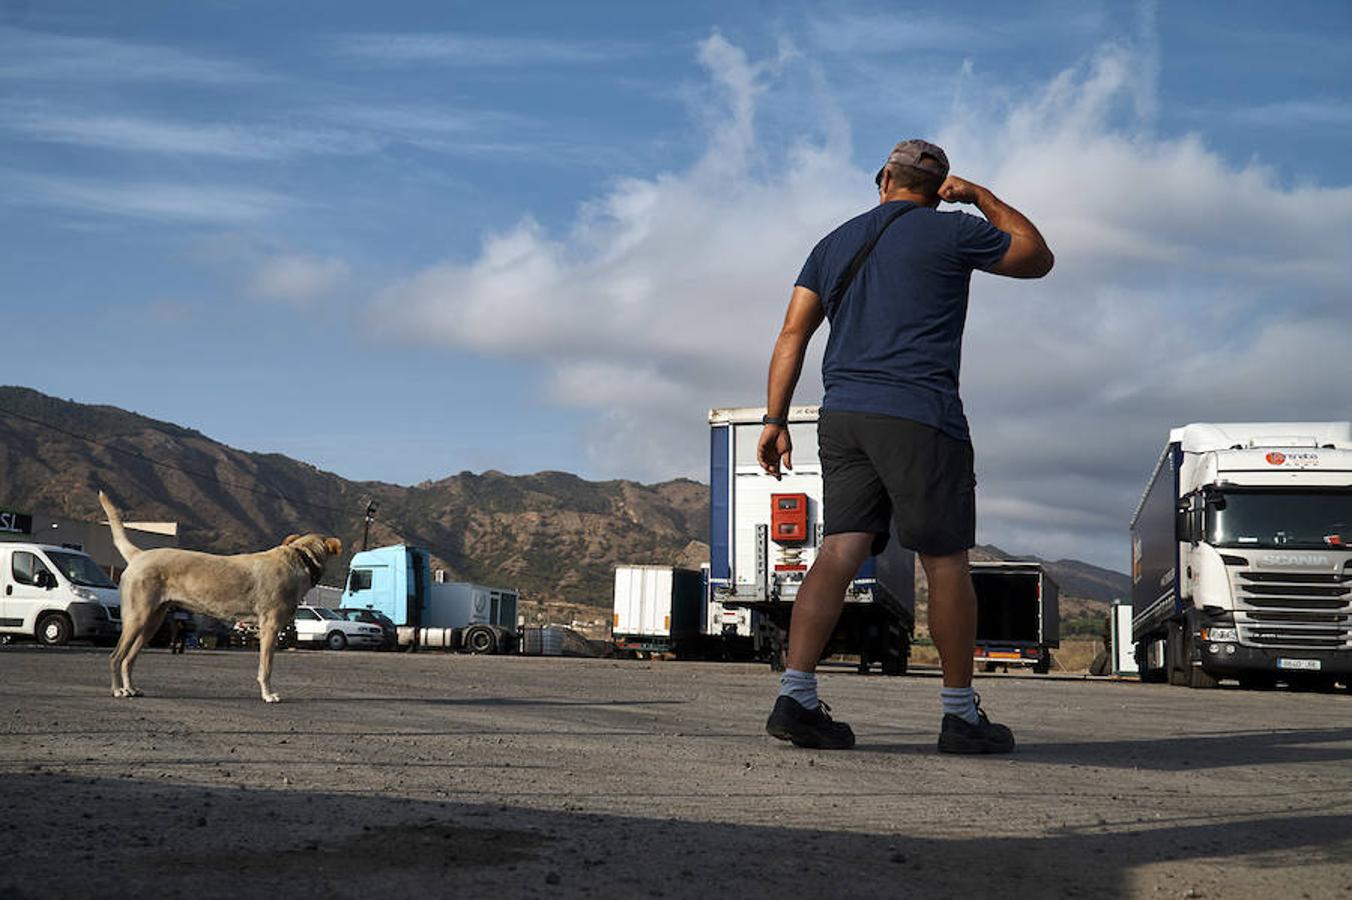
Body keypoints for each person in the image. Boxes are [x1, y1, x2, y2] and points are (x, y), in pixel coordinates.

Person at [759, 139, 1054, 754]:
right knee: (944, 560)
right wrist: (980, 196)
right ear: (938, 186)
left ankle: (797, 695)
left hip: (841, 416)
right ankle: (958, 715)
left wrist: (774, 419)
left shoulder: (834, 242)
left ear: (882, 179)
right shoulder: (953, 232)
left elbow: (794, 330)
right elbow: (1036, 256)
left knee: (840, 549)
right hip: (920, 414)